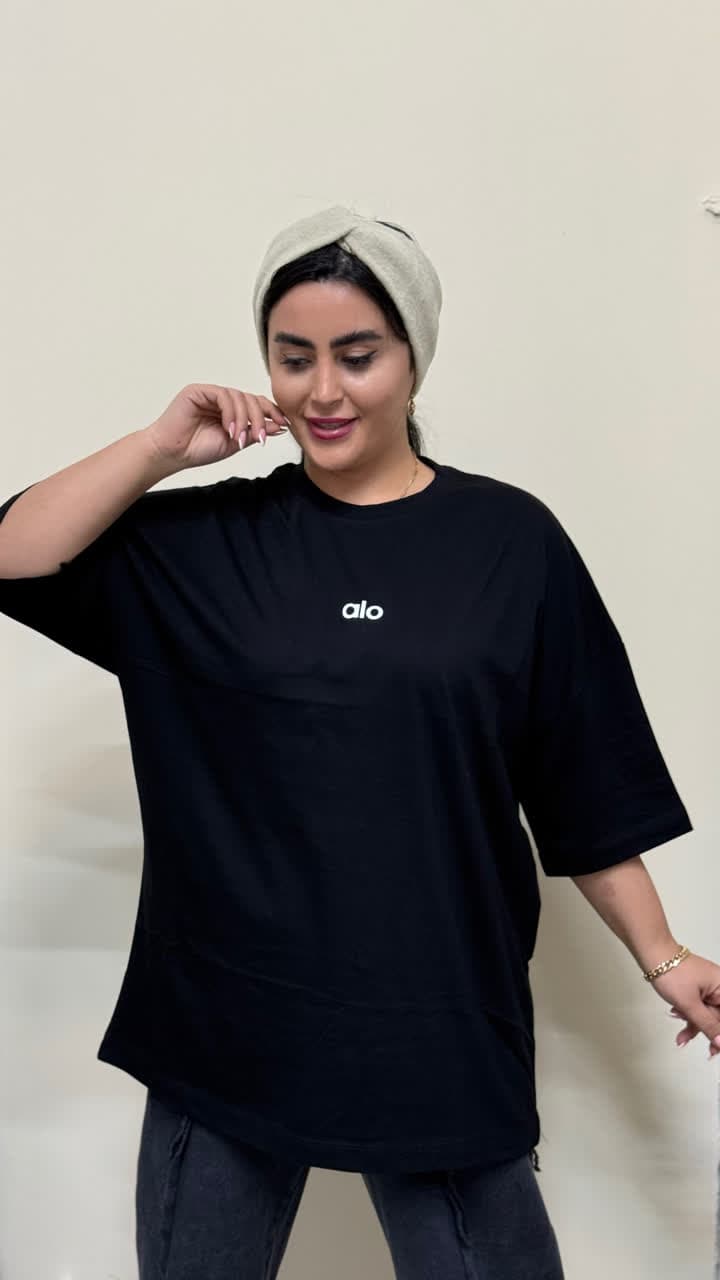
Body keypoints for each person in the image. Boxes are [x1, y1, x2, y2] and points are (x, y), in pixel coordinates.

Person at [0, 205, 718, 1280]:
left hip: (437, 1022)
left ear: (414, 357)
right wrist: (159, 450)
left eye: (357, 355)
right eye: (294, 358)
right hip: (227, 1025)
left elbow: (584, 785)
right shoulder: (209, 545)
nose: (323, 390)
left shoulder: (509, 543)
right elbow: (15, 556)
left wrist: (665, 957)